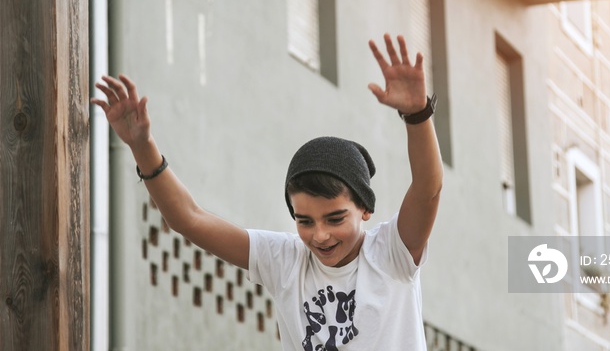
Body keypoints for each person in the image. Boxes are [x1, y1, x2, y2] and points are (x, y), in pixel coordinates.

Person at [91, 34, 443, 351]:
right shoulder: (286, 262)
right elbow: (190, 219)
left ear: (365, 208)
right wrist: (142, 145)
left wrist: (417, 115)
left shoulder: (392, 254)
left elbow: (428, 188)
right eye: (304, 221)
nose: (319, 235)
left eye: (335, 218)